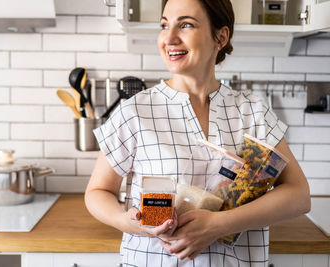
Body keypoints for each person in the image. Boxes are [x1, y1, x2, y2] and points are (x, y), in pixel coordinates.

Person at [84, 0, 311, 265]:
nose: (169, 38)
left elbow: (299, 195)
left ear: (221, 36)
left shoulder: (252, 111)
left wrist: (219, 224)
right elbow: (98, 192)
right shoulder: (135, 111)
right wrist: (131, 222)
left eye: (186, 25)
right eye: (165, 25)